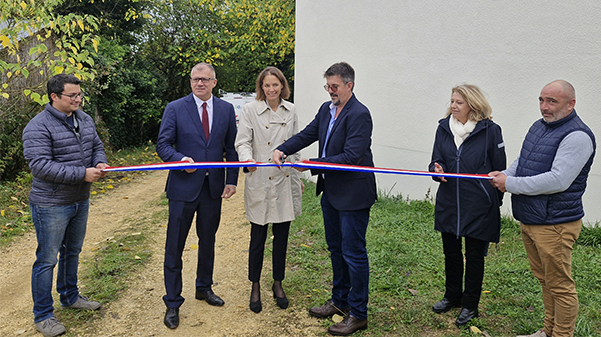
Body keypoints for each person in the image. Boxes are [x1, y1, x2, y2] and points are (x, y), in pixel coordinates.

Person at [273, 62, 376, 336]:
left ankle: (358, 313)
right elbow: (308, 134)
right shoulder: (326, 109)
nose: (330, 91)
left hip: (354, 194)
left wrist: (311, 164)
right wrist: (282, 148)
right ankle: (340, 301)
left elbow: (351, 157)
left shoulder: (360, 114)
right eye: (327, 86)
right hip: (331, 192)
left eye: (335, 86)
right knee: (335, 248)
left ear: (349, 85)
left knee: (354, 253)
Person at [490, 80, 595, 337]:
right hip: (533, 218)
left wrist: (510, 184)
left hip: (555, 224)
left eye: (552, 101)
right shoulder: (540, 127)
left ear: (571, 104)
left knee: (560, 286)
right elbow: (523, 161)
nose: (544, 107)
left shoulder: (577, 136)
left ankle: (561, 334)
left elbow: (558, 180)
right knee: (545, 281)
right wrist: (505, 174)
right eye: (541, 100)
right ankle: (548, 331)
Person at [22, 74, 108, 337]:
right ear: (54, 97)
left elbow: (96, 146)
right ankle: (43, 315)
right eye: (72, 96)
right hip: (51, 204)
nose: (78, 99)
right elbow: (40, 166)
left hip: (80, 200)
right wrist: (82, 173)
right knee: (47, 259)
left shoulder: (84, 118)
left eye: (79, 95)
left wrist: (100, 162)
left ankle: (70, 296)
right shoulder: (38, 127)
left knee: (72, 252)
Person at [156, 62, 239, 329]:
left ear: (215, 82)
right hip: (183, 188)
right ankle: (172, 301)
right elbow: (163, 144)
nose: (199, 83)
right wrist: (179, 159)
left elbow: (231, 148)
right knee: (175, 246)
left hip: (212, 188)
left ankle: (204, 287)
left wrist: (232, 180)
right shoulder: (175, 108)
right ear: (190, 82)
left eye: (205, 79)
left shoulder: (226, 110)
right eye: (195, 79)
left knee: (208, 241)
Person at [428, 84, 506, 326]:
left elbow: (498, 167)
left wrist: (494, 200)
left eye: (459, 102)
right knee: (450, 252)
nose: (453, 105)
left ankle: (470, 304)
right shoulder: (443, 128)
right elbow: (435, 160)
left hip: (478, 204)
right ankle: (452, 296)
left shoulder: (491, 131)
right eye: (452, 101)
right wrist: (436, 169)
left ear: (472, 105)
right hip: (450, 201)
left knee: (474, 256)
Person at [234, 66, 303, 314]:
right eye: (266, 85)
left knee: (282, 238)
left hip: (284, 181)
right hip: (260, 180)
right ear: (260, 88)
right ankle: (254, 285)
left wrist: (297, 171)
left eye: (275, 85)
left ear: (282, 86)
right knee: (257, 239)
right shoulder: (251, 110)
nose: (271, 89)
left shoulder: (292, 109)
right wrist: (246, 160)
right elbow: (242, 141)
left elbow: (296, 142)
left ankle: (278, 283)